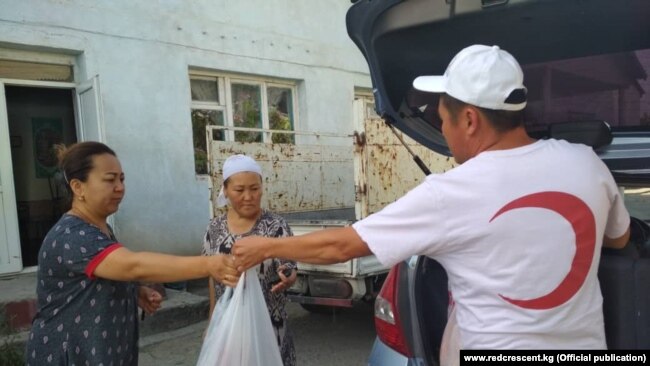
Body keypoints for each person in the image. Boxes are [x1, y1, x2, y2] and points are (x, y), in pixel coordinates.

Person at [231, 45, 631, 350]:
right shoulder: (586, 163)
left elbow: (342, 245)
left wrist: (266, 246)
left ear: (470, 119)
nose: (444, 132)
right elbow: (619, 239)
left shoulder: (452, 192)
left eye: (443, 120)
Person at [25, 141, 239, 366]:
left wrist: (134, 291)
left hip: (105, 350)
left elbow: (103, 275)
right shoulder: (72, 235)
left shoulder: (101, 228)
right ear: (78, 187)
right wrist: (209, 265)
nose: (119, 187)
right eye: (109, 179)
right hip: (70, 355)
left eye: (122, 179)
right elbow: (132, 265)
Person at [202, 154, 298, 366]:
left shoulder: (276, 226)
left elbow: (290, 266)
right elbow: (212, 277)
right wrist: (211, 322)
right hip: (229, 328)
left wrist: (288, 277)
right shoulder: (214, 229)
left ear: (262, 188)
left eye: (254, 189)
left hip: (270, 328)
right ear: (225, 190)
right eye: (239, 190)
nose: (248, 196)